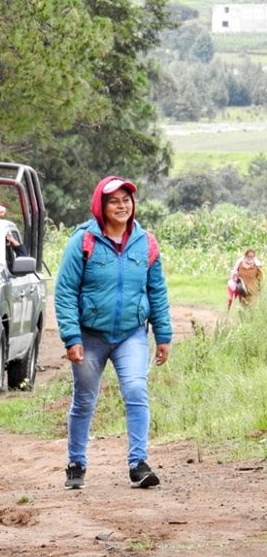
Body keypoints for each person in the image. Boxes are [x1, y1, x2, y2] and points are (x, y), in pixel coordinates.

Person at [54, 176, 172, 491]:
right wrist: (71, 337)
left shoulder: (145, 242)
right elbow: (65, 291)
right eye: (113, 201)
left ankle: (138, 464)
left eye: (126, 200)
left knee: (136, 391)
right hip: (90, 336)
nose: (121, 206)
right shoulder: (83, 241)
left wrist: (163, 334)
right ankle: (76, 463)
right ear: (101, 206)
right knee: (85, 400)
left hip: (131, 334)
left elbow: (157, 291)